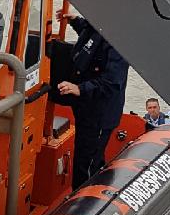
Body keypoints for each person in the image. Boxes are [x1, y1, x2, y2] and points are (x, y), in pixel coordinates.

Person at [55, 14, 129, 185]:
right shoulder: (98, 26)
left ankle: (83, 197)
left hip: (99, 116)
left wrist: (80, 89)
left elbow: (112, 82)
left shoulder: (117, 43)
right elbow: (89, 34)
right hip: (86, 109)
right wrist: (75, 21)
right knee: (85, 154)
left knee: (86, 164)